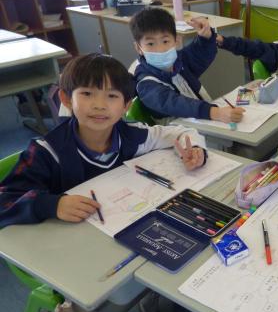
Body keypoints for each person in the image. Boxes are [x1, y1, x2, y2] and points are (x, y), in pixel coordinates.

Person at [0, 53, 207, 228]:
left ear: (126, 106)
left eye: (112, 96)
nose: (99, 105)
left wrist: (196, 151)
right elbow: (5, 199)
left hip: (120, 226)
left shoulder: (132, 136)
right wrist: (51, 205)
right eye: (87, 93)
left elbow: (182, 132)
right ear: (66, 99)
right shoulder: (47, 152)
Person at [130, 7, 245, 123]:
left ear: (176, 41)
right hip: (176, 132)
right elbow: (175, 103)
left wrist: (206, 37)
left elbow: (199, 54)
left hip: (203, 122)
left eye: (165, 41)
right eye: (150, 44)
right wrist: (216, 113)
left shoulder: (179, 61)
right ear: (138, 48)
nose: (160, 49)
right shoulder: (145, 83)